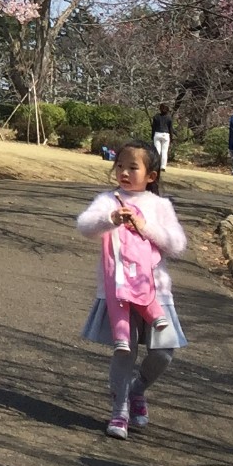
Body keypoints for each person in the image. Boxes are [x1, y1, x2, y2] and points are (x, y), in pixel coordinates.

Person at [78, 142, 189, 438]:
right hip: (117, 291)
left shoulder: (160, 206)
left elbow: (177, 245)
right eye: (120, 166)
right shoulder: (107, 199)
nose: (124, 172)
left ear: (151, 175)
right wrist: (110, 219)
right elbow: (85, 226)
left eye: (133, 167)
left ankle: (137, 389)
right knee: (124, 351)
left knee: (164, 352)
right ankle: (119, 412)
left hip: (155, 292)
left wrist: (144, 226)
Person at [149, 104, 175, 169]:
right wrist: (171, 138)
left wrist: (152, 136)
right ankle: (163, 166)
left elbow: (153, 127)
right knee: (164, 151)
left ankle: (156, 165)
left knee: (157, 151)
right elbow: (170, 129)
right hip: (165, 134)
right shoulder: (169, 118)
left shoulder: (156, 117)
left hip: (157, 133)